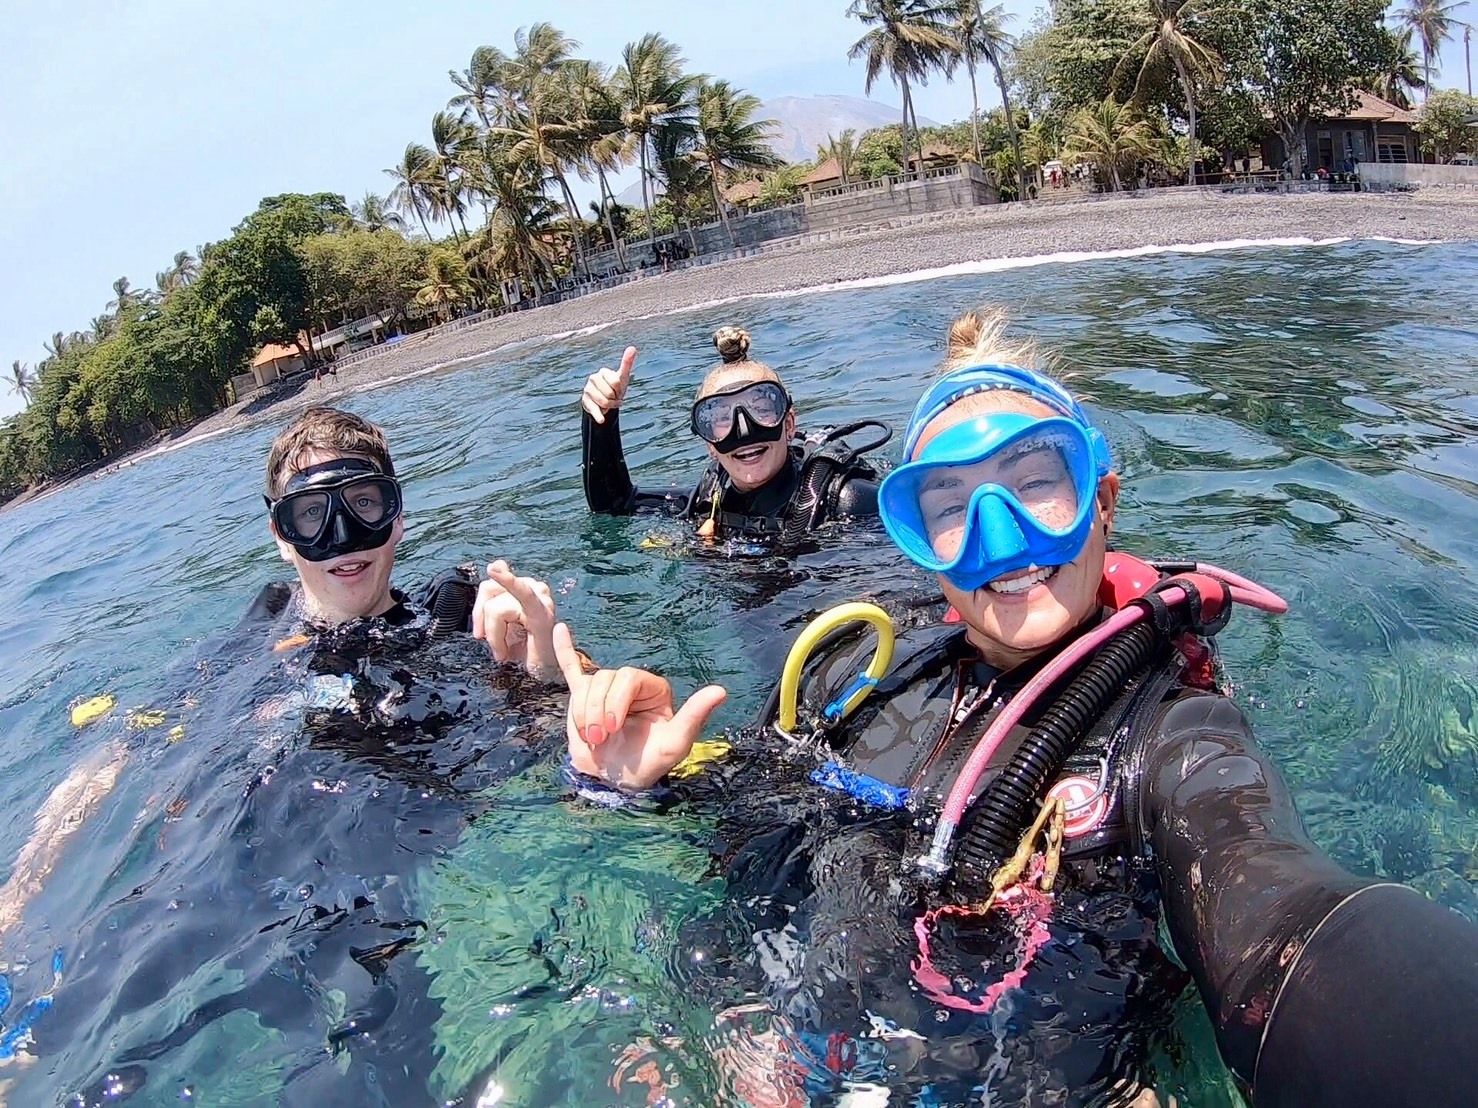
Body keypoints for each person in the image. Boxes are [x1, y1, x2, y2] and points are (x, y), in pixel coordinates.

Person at [552, 310, 1478, 1107]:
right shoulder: (868, 676)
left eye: (1037, 481)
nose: (1001, 535)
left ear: (1102, 502)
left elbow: (1270, 901)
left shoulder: (1171, 738)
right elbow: (761, 837)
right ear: (917, 541)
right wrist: (641, 786)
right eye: (950, 503)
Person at [0, 407, 584, 1106]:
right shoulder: (241, 646)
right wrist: (20, 889)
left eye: (364, 504)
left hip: (371, 867)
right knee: (56, 1036)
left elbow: (566, 729)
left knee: (384, 1065)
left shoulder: (457, 625)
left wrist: (541, 669)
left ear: (397, 514)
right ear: (282, 534)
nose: (343, 537)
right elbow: (112, 757)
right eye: (312, 515)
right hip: (209, 870)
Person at [579, 327, 887, 543]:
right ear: (709, 444)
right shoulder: (707, 500)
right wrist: (602, 419)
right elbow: (613, 504)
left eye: (762, 408)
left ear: (789, 424)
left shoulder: (846, 501)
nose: (744, 430)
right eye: (721, 417)